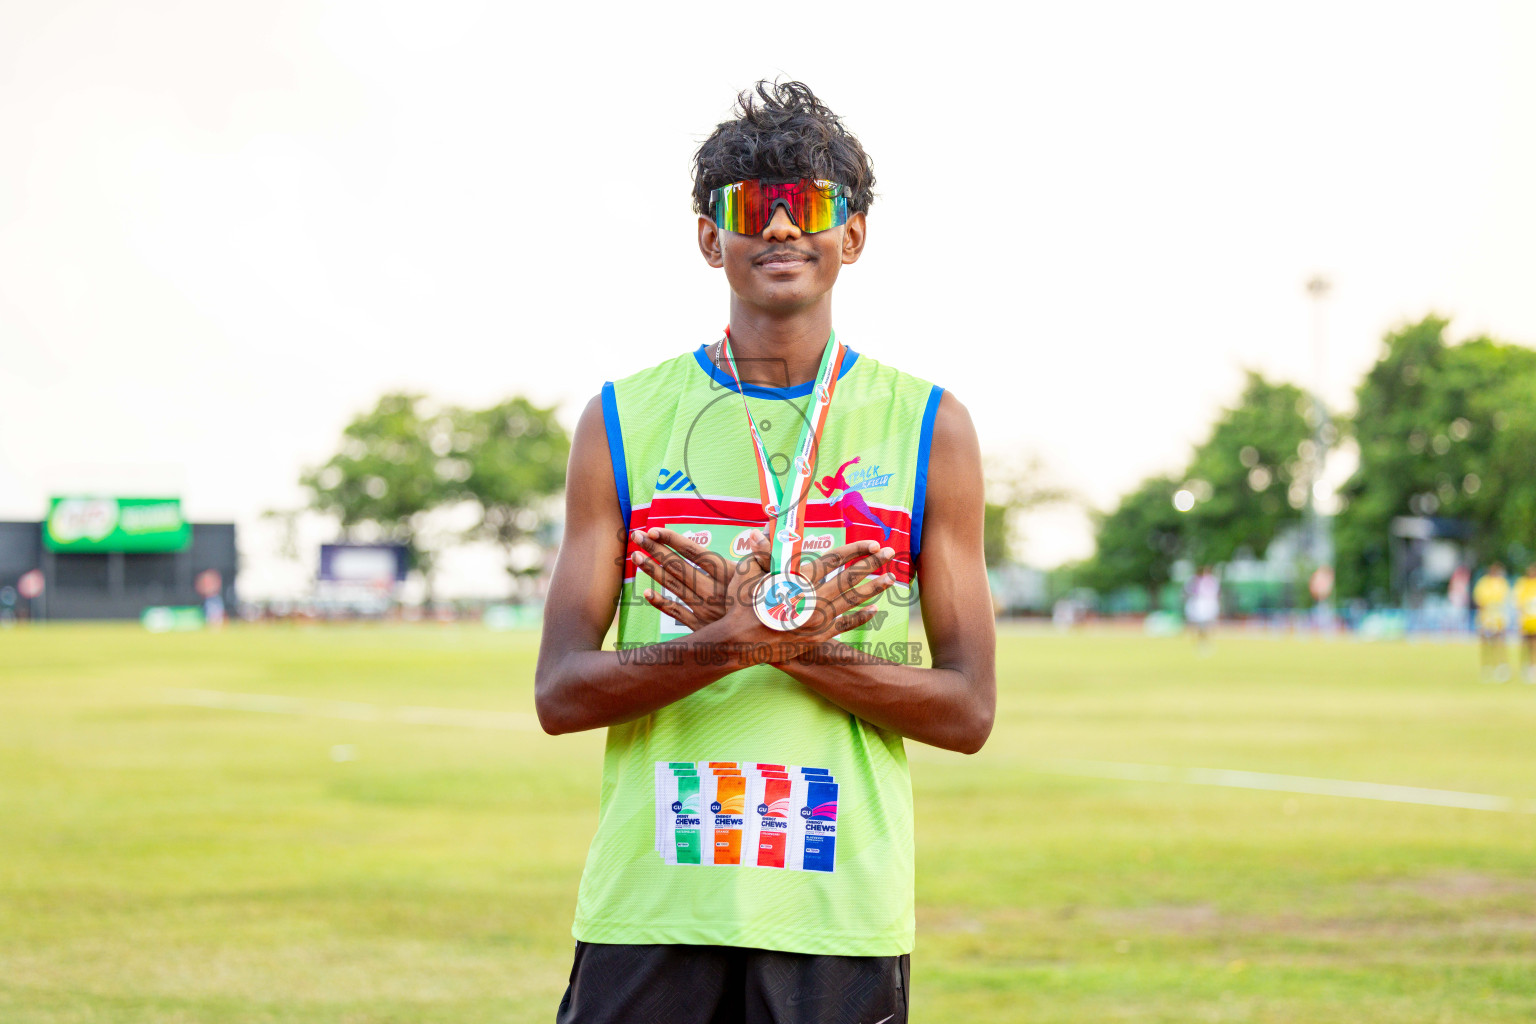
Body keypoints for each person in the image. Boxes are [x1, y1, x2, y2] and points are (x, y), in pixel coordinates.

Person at [535, 80, 996, 1024]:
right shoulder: (620, 419)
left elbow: (968, 709)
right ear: (712, 239)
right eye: (754, 208)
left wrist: (794, 646)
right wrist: (731, 643)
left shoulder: (929, 427)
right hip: (653, 910)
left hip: (835, 920)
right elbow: (559, 693)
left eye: (810, 207)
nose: (782, 230)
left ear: (852, 235)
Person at [1473, 562, 1511, 682]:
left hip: (1499, 617)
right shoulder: (1483, 583)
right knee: (1486, 644)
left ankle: (1501, 666)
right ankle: (1487, 666)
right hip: (1486, 617)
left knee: (1500, 643)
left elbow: (1505, 600)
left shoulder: (1502, 583)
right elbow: (1479, 600)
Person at [1184, 565, 1220, 651]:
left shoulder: (1212, 580)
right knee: (1199, 623)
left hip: (1209, 602)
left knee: (1209, 623)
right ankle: (1200, 640)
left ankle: (1207, 641)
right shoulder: (1196, 580)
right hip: (1200, 603)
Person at [1514, 563, 1536, 683]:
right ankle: (1526, 666)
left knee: (1534, 645)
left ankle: (1533, 667)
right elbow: (1519, 603)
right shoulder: (1523, 584)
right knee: (1525, 645)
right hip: (1526, 620)